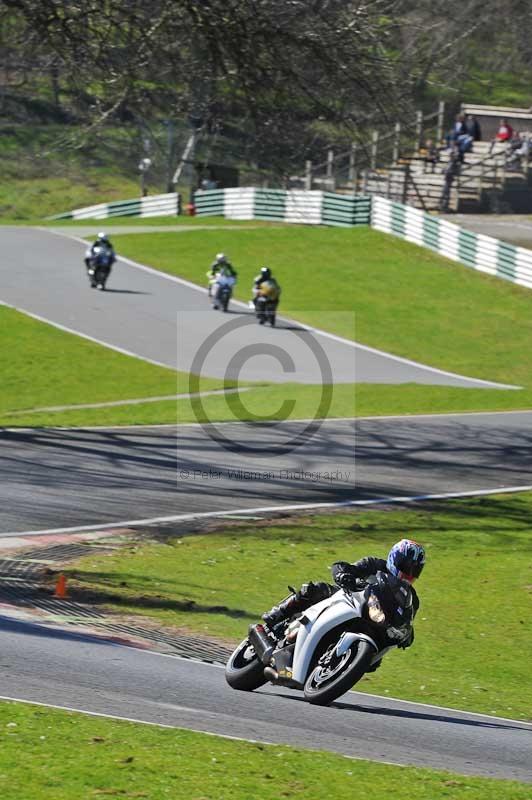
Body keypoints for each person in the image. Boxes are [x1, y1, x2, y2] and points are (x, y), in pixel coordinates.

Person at [258, 539, 425, 663]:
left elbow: (406, 620)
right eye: (405, 566)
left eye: (414, 570)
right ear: (394, 558)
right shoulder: (374, 565)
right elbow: (342, 566)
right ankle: (275, 617)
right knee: (315, 590)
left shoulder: (411, 598)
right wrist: (343, 575)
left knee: (376, 658)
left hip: (372, 622)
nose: (408, 573)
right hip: (346, 599)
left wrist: (407, 635)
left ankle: (339, 665)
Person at [439, 148, 461, 212]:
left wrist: (449, 172)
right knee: (444, 192)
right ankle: (442, 205)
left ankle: (445, 206)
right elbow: (446, 169)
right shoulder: (450, 162)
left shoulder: (456, 163)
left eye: (452, 155)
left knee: (446, 193)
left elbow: (456, 171)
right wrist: (444, 170)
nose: (450, 156)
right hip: (447, 178)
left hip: (449, 178)